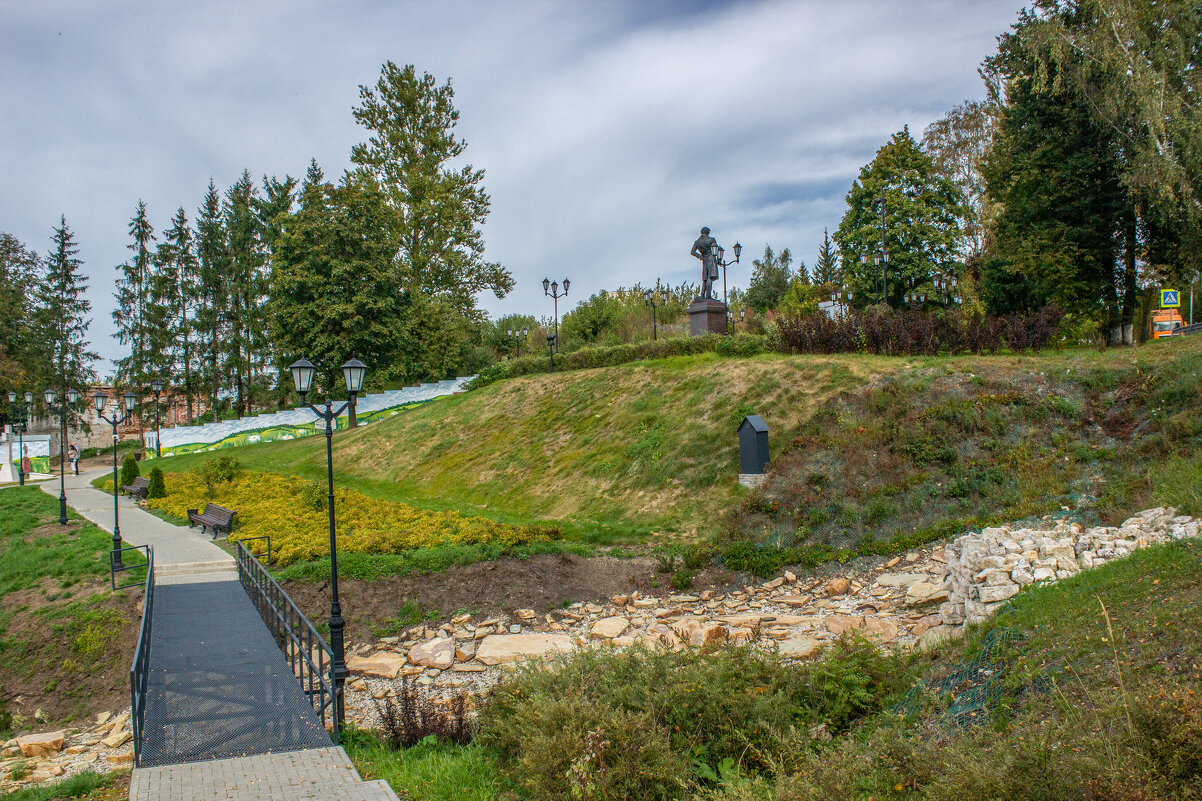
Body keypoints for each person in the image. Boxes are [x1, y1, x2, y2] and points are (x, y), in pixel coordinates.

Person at [690, 226, 720, 300]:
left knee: (705, 278)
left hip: (704, 259)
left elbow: (692, 252)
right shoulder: (712, 239)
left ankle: (702, 295)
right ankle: (708, 296)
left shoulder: (697, 242)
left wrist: (700, 257)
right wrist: (719, 259)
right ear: (707, 232)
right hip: (711, 258)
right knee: (710, 277)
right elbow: (716, 250)